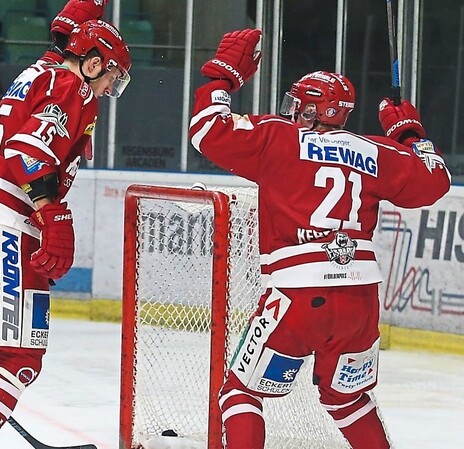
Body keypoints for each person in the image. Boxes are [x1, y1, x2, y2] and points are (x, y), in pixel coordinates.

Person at [189, 29, 451, 449]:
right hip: (360, 301)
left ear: (311, 109)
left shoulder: (278, 138)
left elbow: (207, 130)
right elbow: (436, 181)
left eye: (297, 104)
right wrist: (408, 133)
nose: (291, 111)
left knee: (241, 391)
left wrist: (222, 78)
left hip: (297, 295)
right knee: (347, 400)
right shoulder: (378, 151)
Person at [0, 1, 132, 448]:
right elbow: (30, 148)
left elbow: (57, 49)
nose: (106, 89)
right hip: (2, 217)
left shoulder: (41, 72)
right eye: (110, 77)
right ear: (93, 62)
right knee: (18, 358)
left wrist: (75, 21)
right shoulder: (73, 85)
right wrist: (52, 213)